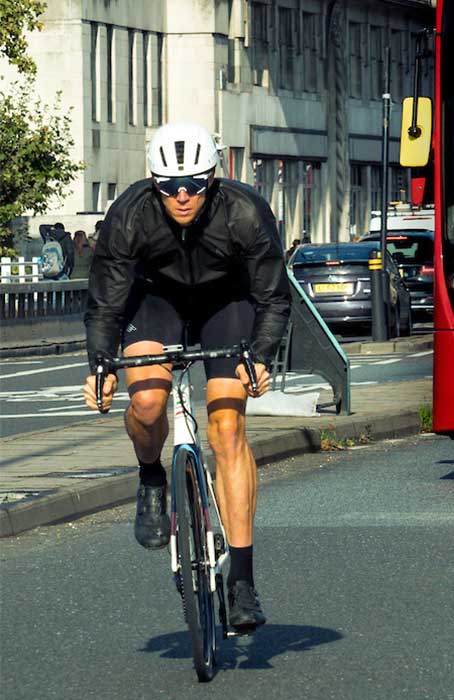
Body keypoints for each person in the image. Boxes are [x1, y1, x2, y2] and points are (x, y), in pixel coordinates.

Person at [82, 121, 289, 633]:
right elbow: (106, 301)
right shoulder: (129, 214)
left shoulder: (245, 212)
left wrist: (260, 355)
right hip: (156, 302)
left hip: (227, 302)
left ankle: (242, 582)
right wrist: (101, 364)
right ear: (152, 180)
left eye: (194, 184)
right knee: (148, 402)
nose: (181, 196)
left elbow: (272, 297)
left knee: (227, 428)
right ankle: (151, 476)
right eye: (170, 185)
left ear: (213, 178)